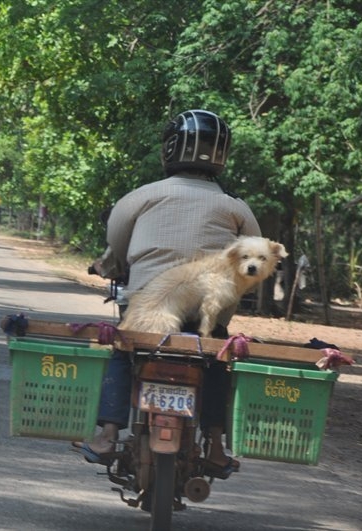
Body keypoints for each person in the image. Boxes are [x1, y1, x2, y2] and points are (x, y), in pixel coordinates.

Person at [73, 109, 262, 477]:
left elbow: (115, 247)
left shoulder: (142, 196)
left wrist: (108, 269)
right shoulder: (235, 206)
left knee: (122, 351)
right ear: (221, 154)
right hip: (205, 316)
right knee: (218, 360)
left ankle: (108, 434)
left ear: (169, 150)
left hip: (149, 312)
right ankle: (218, 446)